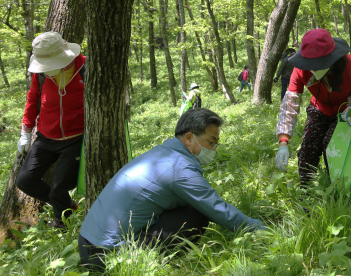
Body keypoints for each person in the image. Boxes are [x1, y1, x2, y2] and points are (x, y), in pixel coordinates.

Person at [78, 108, 265, 270]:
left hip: (86, 243)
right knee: (197, 215)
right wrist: (259, 228)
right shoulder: (180, 167)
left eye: (216, 144)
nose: (213, 149)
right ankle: (149, 260)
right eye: (211, 142)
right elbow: (214, 207)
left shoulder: (160, 154)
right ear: (190, 138)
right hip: (107, 255)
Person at [275, 29, 351, 187]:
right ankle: (306, 188)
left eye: (317, 65)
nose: (313, 69)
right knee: (308, 147)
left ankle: (337, 185)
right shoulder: (301, 70)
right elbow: (290, 103)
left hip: (344, 112)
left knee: (331, 145)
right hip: (319, 108)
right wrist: (283, 142)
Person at [16, 31, 85, 229]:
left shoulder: (84, 67)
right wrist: (26, 132)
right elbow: (32, 100)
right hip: (45, 137)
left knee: (58, 189)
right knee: (25, 180)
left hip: (75, 138)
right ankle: (66, 206)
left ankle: (63, 224)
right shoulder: (40, 75)